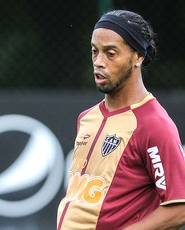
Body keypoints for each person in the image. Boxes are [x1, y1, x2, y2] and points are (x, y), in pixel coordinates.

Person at [57, 10, 185, 230]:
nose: (98, 62)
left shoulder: (154, 124)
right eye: (94, 51)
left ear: (138, 56)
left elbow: (180, 206)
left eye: (110, 53)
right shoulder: (86, 118)